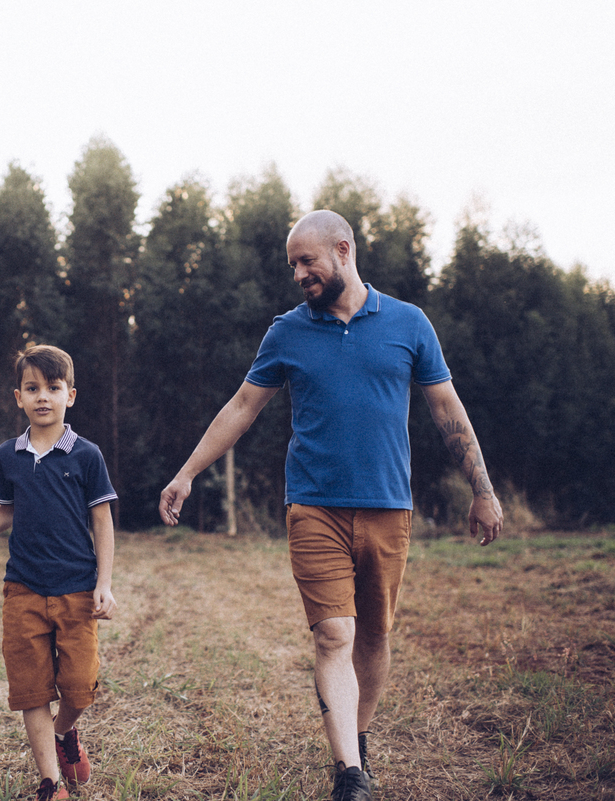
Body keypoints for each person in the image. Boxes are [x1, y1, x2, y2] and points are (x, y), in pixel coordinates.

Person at [158, 210, 503, 801]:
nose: (298, 274)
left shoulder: (408, 322)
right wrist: (188, 472)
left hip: (388, 507)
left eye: (306, 260)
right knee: (334, 635)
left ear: (342, 250)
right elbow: (243, 405)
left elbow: (447, 409)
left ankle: (358, 741)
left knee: (372, 634)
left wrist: (483, 487)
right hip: (314, 505)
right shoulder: (287, 332)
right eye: (292, 264)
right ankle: (348, 773)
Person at [0, 345, 117, 801]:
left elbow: (101, 521)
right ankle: (51, 782)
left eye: (53, 387)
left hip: (77, 589)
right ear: (18, 397)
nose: (43, 396)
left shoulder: (86, 455)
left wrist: (103, 583)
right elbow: (7, 509)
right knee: (31, 691)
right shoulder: (9, 454)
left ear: (71, 395)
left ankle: (67, 733)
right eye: (32, 388)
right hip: (22, 587)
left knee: (79, 689)